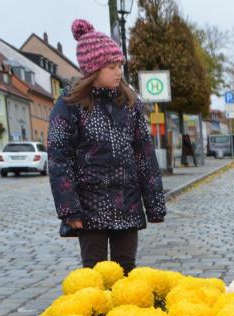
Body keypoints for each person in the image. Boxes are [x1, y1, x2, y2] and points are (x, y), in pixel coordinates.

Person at [48, 19, 166, 274]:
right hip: (90, 206)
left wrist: (154, 202)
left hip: (128, 201)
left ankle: (126, 313)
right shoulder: (70, 105)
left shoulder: (130, 103)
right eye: (112, 66)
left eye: (120, 65)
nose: (118, 72)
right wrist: (69, 208)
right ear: (93, 69)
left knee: (127, 270)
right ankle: (96, 315)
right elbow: (59, 159)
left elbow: (144, 155)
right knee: (95, 273)